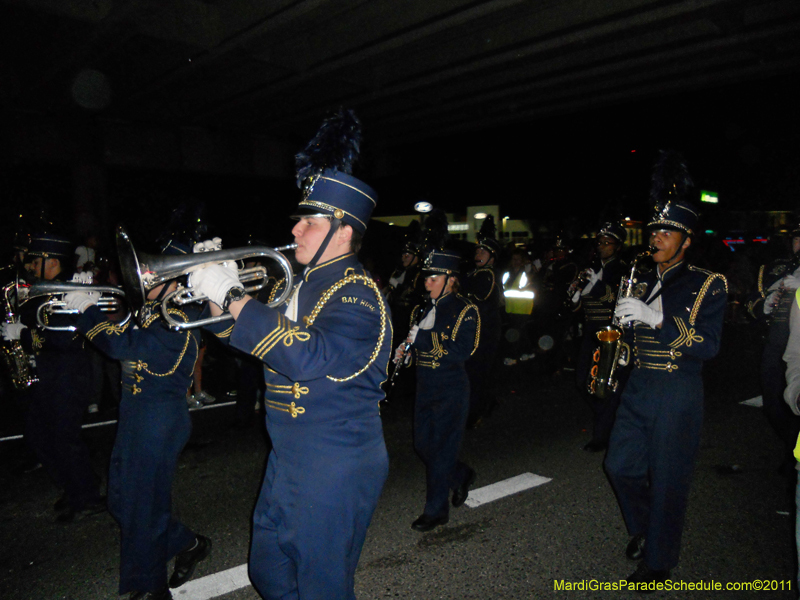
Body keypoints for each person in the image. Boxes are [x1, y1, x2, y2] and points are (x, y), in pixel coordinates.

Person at [189, 109, 392, 600]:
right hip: (289, 457)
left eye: (310, 222)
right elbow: (257, 340)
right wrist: (209, 292)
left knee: (321, 586)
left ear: (344, 232)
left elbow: (305, 356)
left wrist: (236, 296)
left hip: (334, 460)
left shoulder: (357, 295)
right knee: (268, 570)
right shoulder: (299, 284)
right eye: (298, 221)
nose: (296, 230)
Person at [65, 241, 211, 600]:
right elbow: (126, 332)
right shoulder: (155, 308)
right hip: (137, 416)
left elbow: (122, 345)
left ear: (174, 277)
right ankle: (188, 543)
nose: (142, 277)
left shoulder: (182, 315)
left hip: (159, 421)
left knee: (143, 509)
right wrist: (89, 292)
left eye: (151, 271)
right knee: (121, 502)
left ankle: (149, 590)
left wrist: (86, 309)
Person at [604, 193, 727, 585]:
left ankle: (659, 563)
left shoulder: (708, 283)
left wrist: (655, 318)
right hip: (639, 386)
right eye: (654, 229)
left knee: (669, 480)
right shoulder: (640, 280)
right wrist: (618, 352)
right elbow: (631, 335)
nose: (655, 237)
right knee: (618, 465)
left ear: (686, 239)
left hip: (677, 391)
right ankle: (645, 528)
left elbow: (708, 345)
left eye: (666, 231)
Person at [1, 233, 105, 522]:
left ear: (52, 261)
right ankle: (77, 484)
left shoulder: (73, 287)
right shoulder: (41, 289)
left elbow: (70, 336)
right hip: (48, 373)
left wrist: (22, 333)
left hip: (69, 373)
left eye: (36, 261)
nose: (32, 266)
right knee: (38, 434)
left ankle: (86, 497)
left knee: (64, 437)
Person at [401, 248, 480, 532]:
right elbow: (416, 346)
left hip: (450, 387)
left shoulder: (465, 310)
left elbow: (462, 350)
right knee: (422, 444)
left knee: (442, 450)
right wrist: (405, 352)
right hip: (425, 386)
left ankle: (436, 511)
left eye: (434, 277)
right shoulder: (421, 309)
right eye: (427, 277)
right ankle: (460, 474)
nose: (427, 282)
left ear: (451, 279)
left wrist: (421, 339)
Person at [572, 222, 629, 452]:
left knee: (603, 384)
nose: (603, 247)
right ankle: (611, 419)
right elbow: (579, 305)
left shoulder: (621, 269)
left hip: (609, 330)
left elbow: (613, 298)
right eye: (600, 242)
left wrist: (595, 283)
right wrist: (575, 294)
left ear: (617, 246)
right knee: (583, 381)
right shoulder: (593, 267)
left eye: (608, 243)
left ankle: (602, 435)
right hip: (591, 330)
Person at [748, 223, 800, 473]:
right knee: (773, 401)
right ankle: (791, 445)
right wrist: (766, 304)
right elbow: (751, 303)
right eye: (797, 239)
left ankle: (794, 455)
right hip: (775, 344)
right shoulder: (776, 267)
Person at [463, 215, 503, 427]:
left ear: (492, 257)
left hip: (485, 331)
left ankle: (476, 411)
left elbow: (475, 298)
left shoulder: (488, 275)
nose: (478, 254)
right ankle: (486, 402)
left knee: (477, 372)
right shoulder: (473, 273)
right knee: (475, 371)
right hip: (475, 329)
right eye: (478, 250)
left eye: (484, 251)